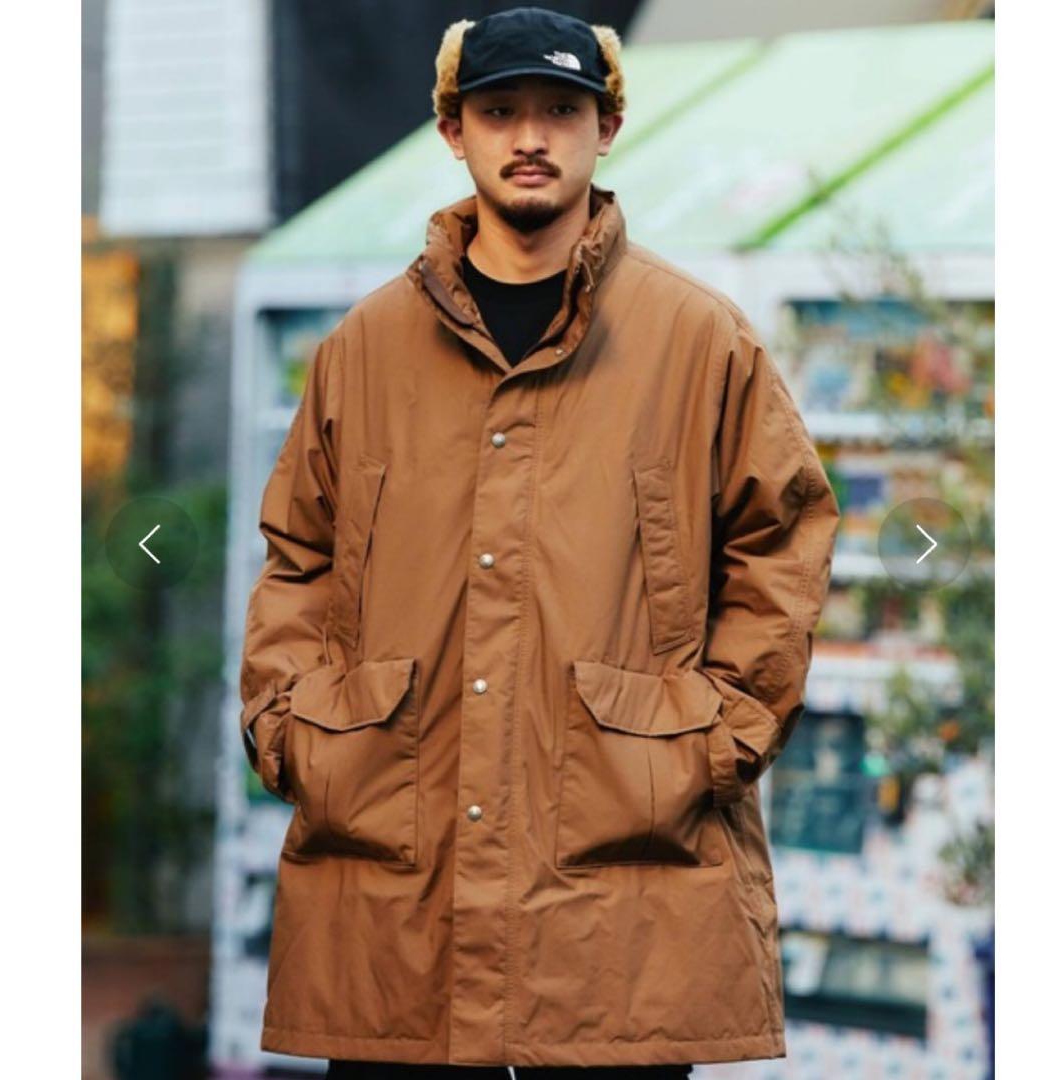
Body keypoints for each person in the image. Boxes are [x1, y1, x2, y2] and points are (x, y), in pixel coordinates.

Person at [238, 7, 840, 1078]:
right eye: (499, 110)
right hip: (393, 881)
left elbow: (782, 539)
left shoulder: (699, 340)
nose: (529, 136)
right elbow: (299, 558)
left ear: (606, 128)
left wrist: (713, 737)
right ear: (452, 130)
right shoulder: (363, 349)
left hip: (624, 888)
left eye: (561, 109)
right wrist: (295, 731)